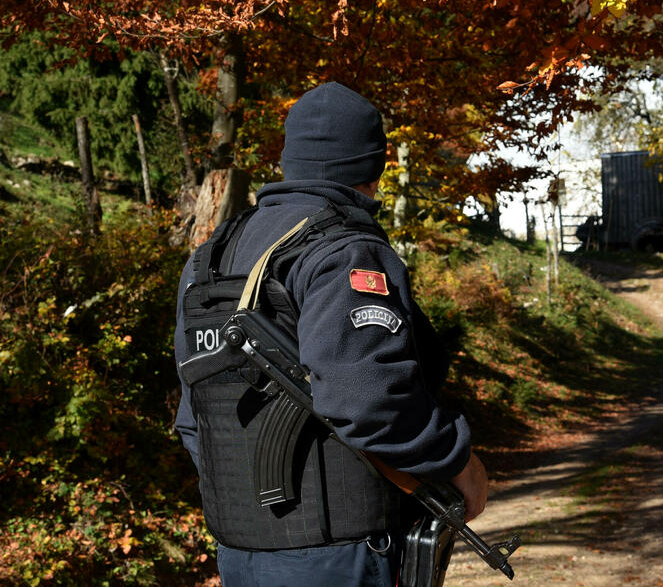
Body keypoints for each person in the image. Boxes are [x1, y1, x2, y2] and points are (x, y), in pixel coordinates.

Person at [173, 82, 488, 586]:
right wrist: (459, 462)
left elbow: (194, 411)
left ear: (290, 159)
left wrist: (252, 507)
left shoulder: (212, 255)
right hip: (339, 552)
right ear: (374, 166)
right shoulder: (345, 251)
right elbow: (368, 403)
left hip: (240, 552)